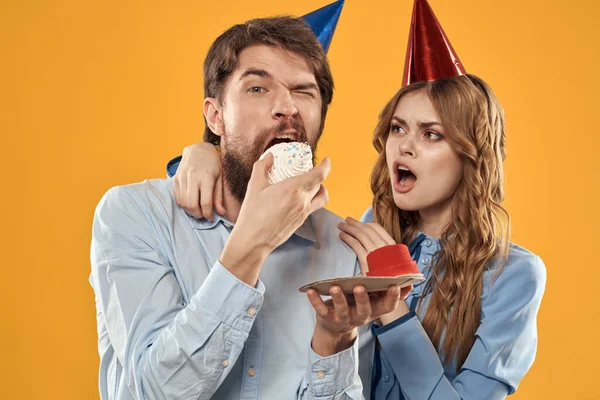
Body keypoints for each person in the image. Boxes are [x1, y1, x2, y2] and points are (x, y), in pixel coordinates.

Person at [167, 1, 546, 399]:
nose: (405, 147)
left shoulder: (514, 275)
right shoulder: (370, 228)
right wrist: (202, 154)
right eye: (398, 128)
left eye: (431, 134)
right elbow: (256, 193)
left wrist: (392, 308)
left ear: (472, 155)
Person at [90, 14, 404, 400]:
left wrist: (334, 340)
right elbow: (154, 392)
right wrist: (252, 244)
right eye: (258, 88)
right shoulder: (135, 215)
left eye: (304, 92)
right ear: (215, 116)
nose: (287, 106)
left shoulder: (342, 250)